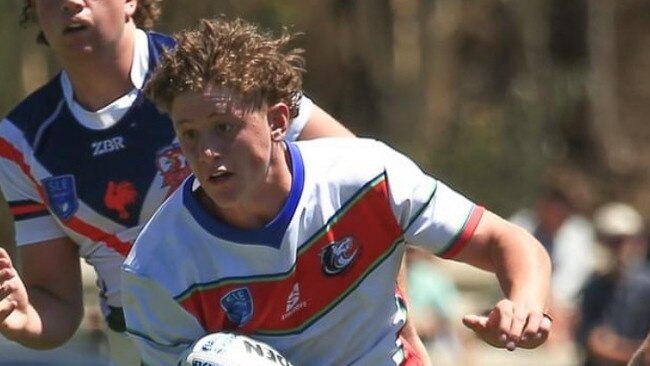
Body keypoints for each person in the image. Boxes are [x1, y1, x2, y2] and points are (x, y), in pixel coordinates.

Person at [0, 1, 435, 366]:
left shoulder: (214, 77)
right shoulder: (22, 141)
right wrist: (24, 317)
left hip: (293, 328)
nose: (70, 2)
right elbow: (56, 304)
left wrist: (401, 328)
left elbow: (367, 195)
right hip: (145, 347)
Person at [120, 17, 553, 366]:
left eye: (224, 127)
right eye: (189, 133)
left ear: (277, 121)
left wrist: (525, 305)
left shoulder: (366, 176)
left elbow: (505, 239)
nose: (206, 151)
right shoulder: (158, 267)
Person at [509, 182, 596, 342]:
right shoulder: (520, 225)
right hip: (521, 297)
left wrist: (552, 301)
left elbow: (573, 277)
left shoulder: (578, 234)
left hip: (564, 307)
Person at [576, 202, 650, 366]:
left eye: (624, 241)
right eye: (613, 241)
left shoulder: (646, 287)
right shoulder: (594, 286)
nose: (621, 248)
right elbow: (593, 343)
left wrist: (616, 347)